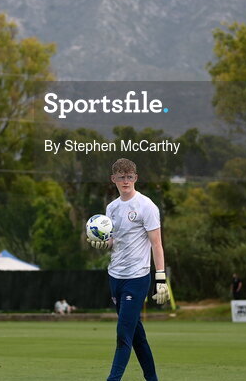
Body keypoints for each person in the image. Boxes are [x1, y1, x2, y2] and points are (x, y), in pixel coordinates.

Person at [88, 157, 169, 381]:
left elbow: (157, 244)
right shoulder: (111, 208)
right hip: (115, 276)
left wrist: (160, 279)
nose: (126, 181)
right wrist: (102, 243)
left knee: (123, 335)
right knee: (136, 336)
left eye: (130, 176)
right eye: (121, 177)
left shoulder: (147, 206)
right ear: (113, 179)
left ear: (136, 178)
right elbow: (113, 240)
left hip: (137, 278)